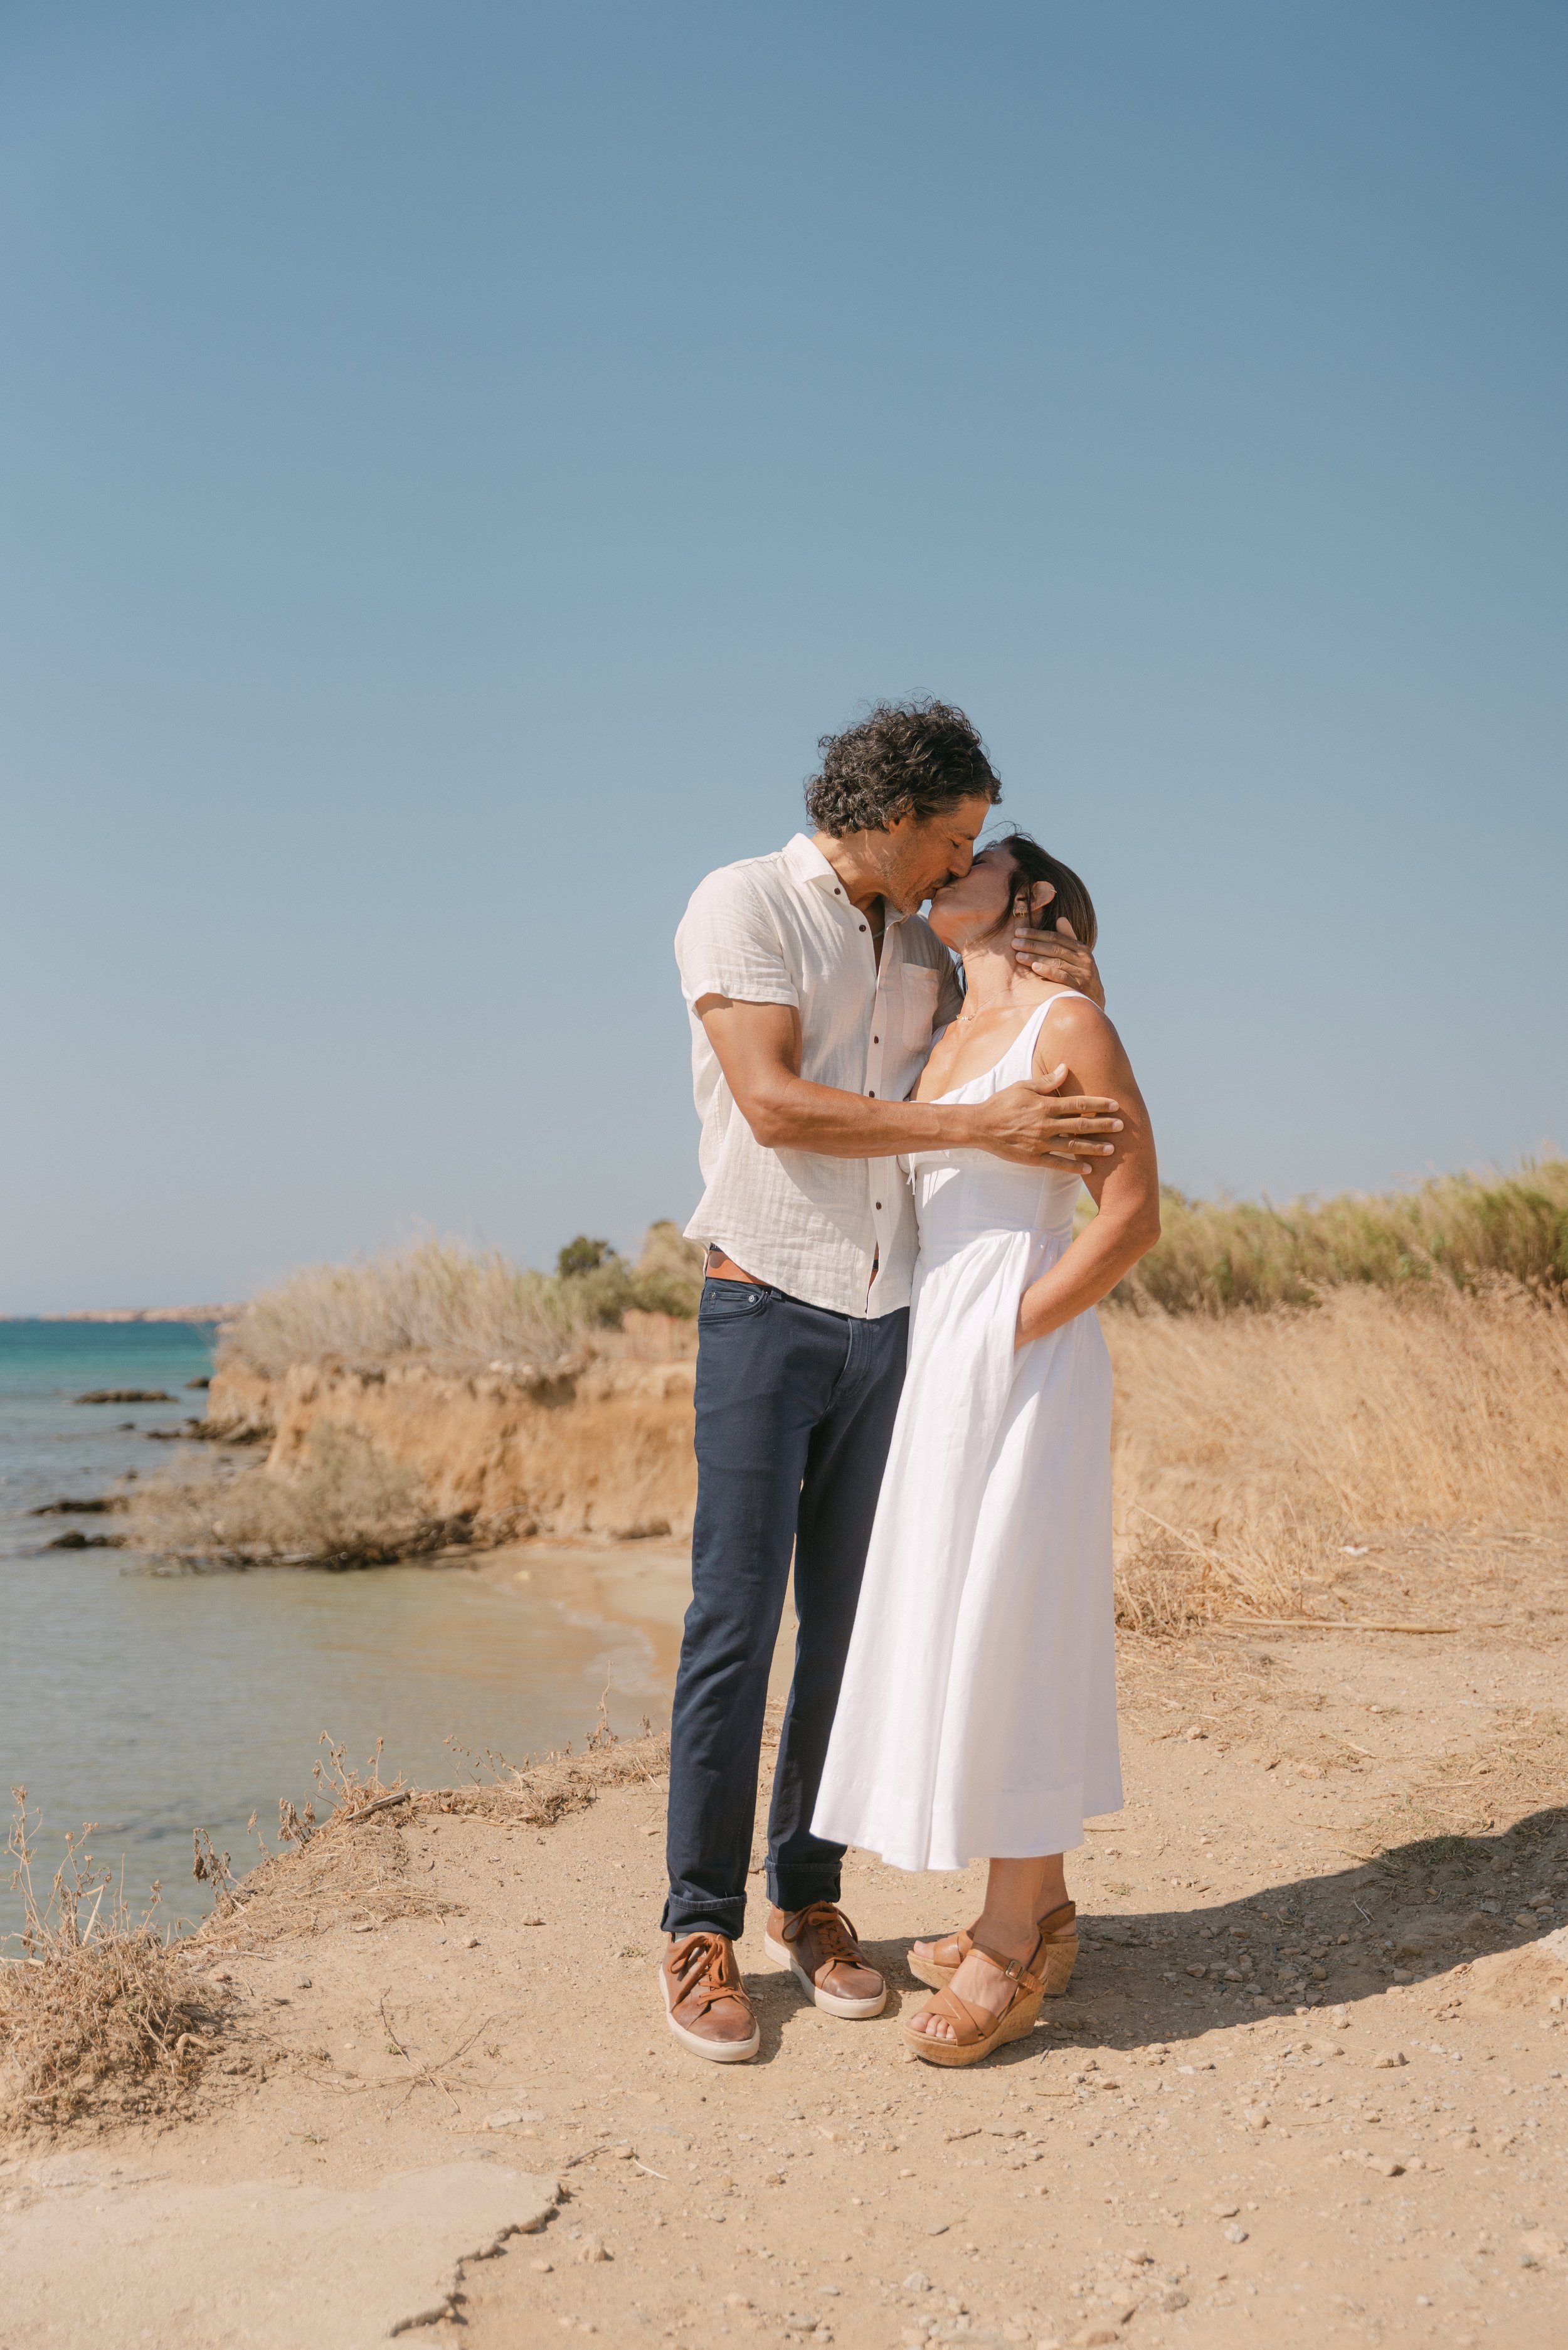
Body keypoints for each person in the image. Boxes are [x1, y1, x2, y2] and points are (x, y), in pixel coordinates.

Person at [660, 699, 1123, 2063]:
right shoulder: (740, 903)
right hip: (763, 1302)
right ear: (891, 812)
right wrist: (979, 1123)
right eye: (953, 837)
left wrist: (1072, 961)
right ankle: (699, 1928)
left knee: (849, 1634)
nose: (958, 861)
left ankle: (809, 1898)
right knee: (732, 1623)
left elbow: (1032, 1015)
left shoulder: (933, 935)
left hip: (895, 1325)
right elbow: (777, 1102)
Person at [812, 834, 1161, 2066]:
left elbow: (1131, 1214)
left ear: (1034, 896)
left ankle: (1009, 1941)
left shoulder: (1066, 1026)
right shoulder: (940, 1040)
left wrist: (1009, 1330)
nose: (940, 872)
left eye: (973, 864)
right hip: (938, 1357)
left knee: (1013, 1615)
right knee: (969, 1616)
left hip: (1022, 1346)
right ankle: (1035, 1901)